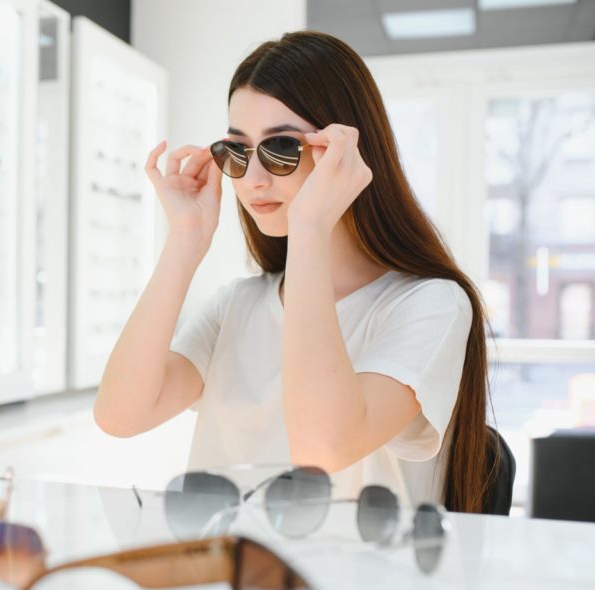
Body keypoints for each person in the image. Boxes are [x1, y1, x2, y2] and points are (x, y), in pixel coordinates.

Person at [94, 31, 496, 513]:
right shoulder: (236, 306)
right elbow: (119, 415)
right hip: (233, 575)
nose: (254, 179)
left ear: (345, 150)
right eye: (236, 152)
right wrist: (185, 238)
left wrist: (309, 227)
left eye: (282, 148)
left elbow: (321, 450)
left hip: (361, 583)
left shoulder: (430, 304)